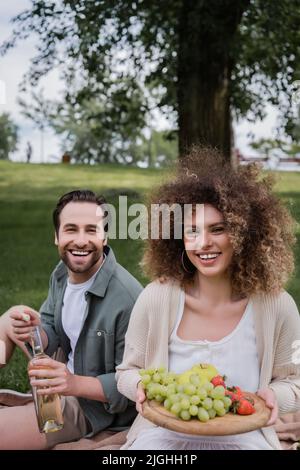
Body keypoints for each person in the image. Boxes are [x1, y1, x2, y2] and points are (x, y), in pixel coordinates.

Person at [116, 146, 300, 450]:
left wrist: (273, 396)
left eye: (218, 229)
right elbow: (127, 372)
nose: (203, 243)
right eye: (192, 231)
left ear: (246, 234)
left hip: (244, 439)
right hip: (161, 438)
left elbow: (295, 382)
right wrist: (139, 386)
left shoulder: (278, 306)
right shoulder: (156, 297)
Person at [0, 189, 142, 449]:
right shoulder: (61, 275)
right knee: (7, 320)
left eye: (91, 230)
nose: (80, 240)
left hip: (93, 409)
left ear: (105, 236)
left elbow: (134, 383)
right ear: (56, 236)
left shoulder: (128, 299)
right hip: (58, 387)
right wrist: (31, 330)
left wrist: (73, 383)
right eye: (70, 229)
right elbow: (51, 330)